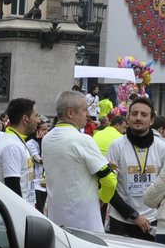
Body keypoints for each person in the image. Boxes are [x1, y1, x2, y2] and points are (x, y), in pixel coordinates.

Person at [43, 91, 115, 232]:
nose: (88, 114)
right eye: (85, 109)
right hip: (85, 224)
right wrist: (102, 199)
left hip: (56, 223)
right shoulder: (83, 140)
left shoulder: (46, 139)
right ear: (71, 113)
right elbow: (110, 181)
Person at [105, 96, 165, 238]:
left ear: (152, 120)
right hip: (122, 219)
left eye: (144, 115)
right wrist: (133, 216)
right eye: (134, 114)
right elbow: (108, 188)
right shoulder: (116, 146)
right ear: (127, 118)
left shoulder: (163, 148)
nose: (138, 118)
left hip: (152, 220)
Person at [0, 100, 36, 201]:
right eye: (36, 116)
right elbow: (12, 187)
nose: (39, 120)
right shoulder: (12, 146)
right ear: (25, 119)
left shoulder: (16, 140)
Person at [29, 118, 49, 211]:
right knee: (39, 209)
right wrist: (40, 141)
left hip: (44, 183)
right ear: (37, 130)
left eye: (47, 129)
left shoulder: (47, 143)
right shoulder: (31, 143)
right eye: (43, 129)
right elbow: (39, 160)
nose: (46, 132)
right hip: (34, 183)